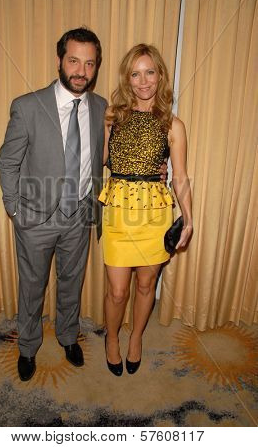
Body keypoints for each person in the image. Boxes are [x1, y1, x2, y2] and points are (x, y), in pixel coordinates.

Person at [0, 27, 108, 381]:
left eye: (89, 64)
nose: (81, 71)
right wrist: (15, 209)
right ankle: (28, 347)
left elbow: (97, 157)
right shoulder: (28, 107)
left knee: (71, 282)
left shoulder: (100, 106)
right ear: (59, 60)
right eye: (74, 60)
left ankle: (66, 336)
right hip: (36, 219)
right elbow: (8, 162)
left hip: (80, 215)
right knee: (32, 285)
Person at [99, 44, 193, 376]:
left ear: (160, 76)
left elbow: (179, 176)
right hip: (118, 211)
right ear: (127, 79)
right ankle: (111, 338)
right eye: (135, 74)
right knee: (118, 289)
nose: (143, 81)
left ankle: (136, 337)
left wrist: (189, 219)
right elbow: (100, 162)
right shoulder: (112, 117)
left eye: (150, 72)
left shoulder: (173, 125)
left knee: (145, 284)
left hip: (155, 213)